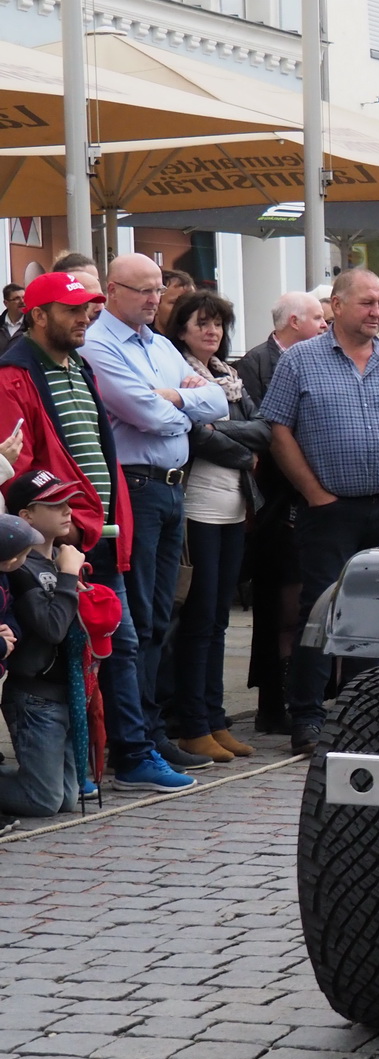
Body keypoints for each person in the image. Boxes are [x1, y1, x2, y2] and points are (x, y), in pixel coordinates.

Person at [0, 274, 193, 792]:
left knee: (119, 643)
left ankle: (119, 754)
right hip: (60, 538)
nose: (85, 318)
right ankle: (98, 760)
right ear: (38, 315)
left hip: (100, 528)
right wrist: (54, 534)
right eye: (72, 310)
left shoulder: (80, 366)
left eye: (88, 308)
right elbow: (16, 471)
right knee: (77, 650)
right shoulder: (13, 375)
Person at [258, 267, 379, 754]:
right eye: (367, 303)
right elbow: (278, 431)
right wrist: (313, 492)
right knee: (321, 610)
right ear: (336, 306)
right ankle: (308, 718)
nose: (377, 311)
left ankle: (364, 716)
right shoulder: (300, 362)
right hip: (329, 510)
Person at [81, 253, 230, 775]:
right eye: (142, 289)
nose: (152, 298)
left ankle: (150, 730)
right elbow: (144, 412)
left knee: (160, 615)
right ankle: (137, 738)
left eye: (157, 289)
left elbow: (220, 402)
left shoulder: (161, 345)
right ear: (112, 290)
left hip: (170, 489)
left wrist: (178, 401)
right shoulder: (100, 345)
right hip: (135, 487)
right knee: (139, 617)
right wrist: (179, 405)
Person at [168, 290, 268, 765]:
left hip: (234, 509)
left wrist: (223, 432)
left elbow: (263, 429)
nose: (212, 332)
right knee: (200, 619)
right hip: (197, 508)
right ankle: (192, 724)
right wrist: (240, 447)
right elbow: (192, 434)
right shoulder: (177, 371)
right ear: (183, 329)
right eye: (202, 323)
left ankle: (215, 718)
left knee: (220, 620)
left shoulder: (230, 376)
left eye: (218, 325)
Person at [234, 290, 326, 735]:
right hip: (274, 503)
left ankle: (299, 695)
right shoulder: (255, 364)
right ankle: (276, 699)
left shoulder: (321, 359)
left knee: (305, 601)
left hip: (310, 502)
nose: (325, 326)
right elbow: (262, 432)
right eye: (317, 319)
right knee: (279, 606)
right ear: (294, 320)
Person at [2, 474, 88, 817]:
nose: (68, 511)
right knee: (43, 801)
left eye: (68, 502)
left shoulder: (63, 557)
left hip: (64, 693)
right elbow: (52, 628)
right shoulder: (20, 567)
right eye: (55, 505)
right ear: (26, 516)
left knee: (66, 799)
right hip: (34, 697)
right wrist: (68, 577)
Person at [153, 269, 194, 337]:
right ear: (156, 306)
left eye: (192, 303)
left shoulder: (201, 345)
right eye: (176, 303)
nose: (186, 308)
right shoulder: (145, 344)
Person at [2, 284, 25, 351]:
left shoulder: (33, 325)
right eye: (17, 298)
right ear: (6, 303)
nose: (22, 301)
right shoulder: (1, 324)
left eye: (24, 297)